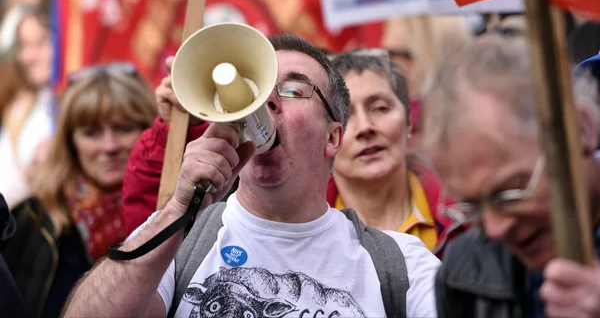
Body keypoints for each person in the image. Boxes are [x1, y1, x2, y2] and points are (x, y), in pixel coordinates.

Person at [64, 34, 440, 318]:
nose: (266, 100)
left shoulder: (401, 265)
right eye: (257, 88)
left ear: (332, 137)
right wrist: (179, 207)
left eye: (294, 89)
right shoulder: (178, 247)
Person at [423, 17, 600, 318]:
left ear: (581, 130)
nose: (494, 228)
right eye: (472, 207)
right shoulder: (464, 271)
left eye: (508, 192)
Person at [2, 63, 157, 318]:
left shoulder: (177, 212)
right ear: (69, 141)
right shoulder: (30, 221)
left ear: (149, 131)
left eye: (123, 128)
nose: (109, 146)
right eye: (91, 132)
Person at [328, 51, 463, 255]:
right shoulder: (299, 235)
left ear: (409, 121)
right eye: (344, 116)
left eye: (380, 108)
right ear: (324, 136)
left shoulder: (466, 218)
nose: (365, 127)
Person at [0, 1, 55, 210]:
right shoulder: (18, 107)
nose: (30, 56)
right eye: (24, 46)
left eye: (41, 43)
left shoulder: (72, 102)